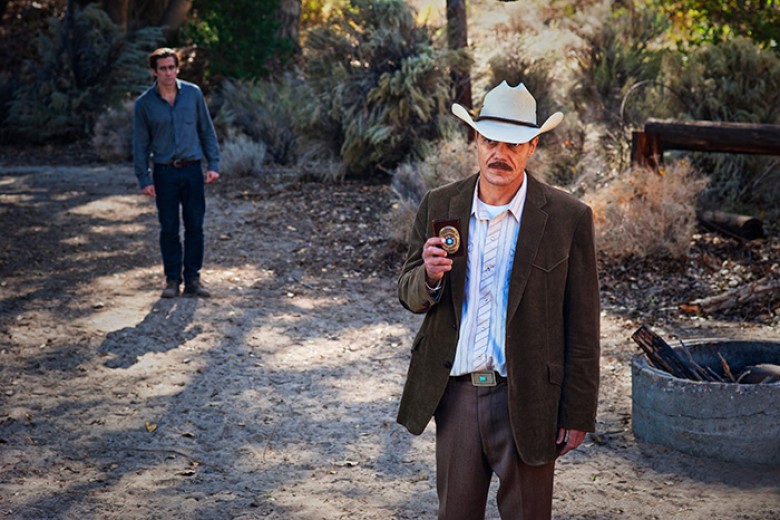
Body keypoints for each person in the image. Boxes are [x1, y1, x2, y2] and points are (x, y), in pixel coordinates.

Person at [396, 81, 600, 519]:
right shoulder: (439, 203)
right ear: (476, 140)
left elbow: (583, 324)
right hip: (457, 396)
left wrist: (578, 410)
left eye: (513, 144)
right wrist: (429, 277)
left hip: (529, 399)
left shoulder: (568, 218)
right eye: (490, 140)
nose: (499, 154)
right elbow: (408, 291)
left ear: (532, 147)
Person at [132, 47, 221, 298]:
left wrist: (213, 164)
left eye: (172, 67)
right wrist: (144, 177)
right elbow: (139, 144)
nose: (168, 72)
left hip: (192, 169)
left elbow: (207, 130)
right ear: (154, 71)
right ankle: (172, 280)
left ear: (177, 68)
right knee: (169, 227)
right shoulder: (144, 104)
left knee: (195, 226)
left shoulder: (193, 94)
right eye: (163, 68)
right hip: (164, 173)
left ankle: (193, 279)